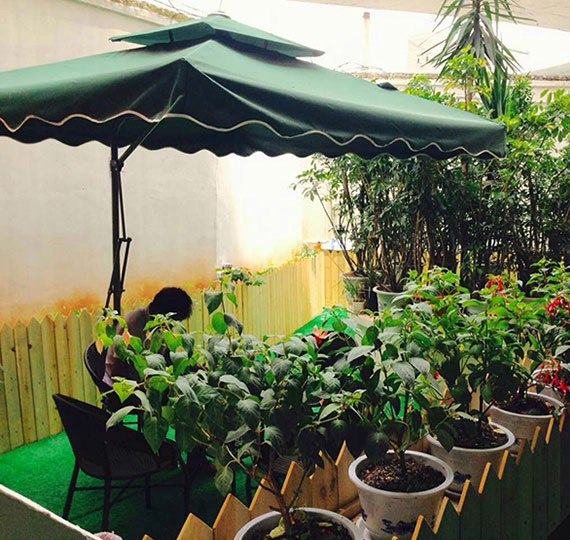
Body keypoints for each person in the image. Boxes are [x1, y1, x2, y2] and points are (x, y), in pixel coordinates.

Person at [103, 287, 192, 386]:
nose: (172, 326)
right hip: (124, 384)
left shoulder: (161, 325)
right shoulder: (133, 325)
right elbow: (118, 371)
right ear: (163, 314)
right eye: (173, 321)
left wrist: (188, 365)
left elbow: (166, 356)